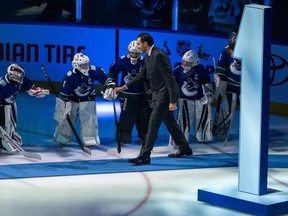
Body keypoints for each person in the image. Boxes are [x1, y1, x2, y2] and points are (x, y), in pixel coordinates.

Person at [114, 32, 193, 165]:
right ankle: (185, 148)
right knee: (171, 124)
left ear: (145, 43)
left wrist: (173, 101)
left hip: (164, 96)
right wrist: (124, 87)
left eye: (139, 43)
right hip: (157, 95)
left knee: (152, 126)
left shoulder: (159, 55)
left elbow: (170, 79)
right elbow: (141, 76)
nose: (137, 46)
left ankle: (145, 155)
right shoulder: (148, 57)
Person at [53, 52, 115, 147]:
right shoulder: (69, 77)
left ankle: (89, 140)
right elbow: (64, 95)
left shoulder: (93, 70)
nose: (86, 66)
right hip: (72, 100)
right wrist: (64, 106)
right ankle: (62, 138)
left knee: (89, 120)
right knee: (67, 119)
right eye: (83, 65)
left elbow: (104, 78)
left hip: (88, 98)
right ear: (76, 65)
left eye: (87, 63)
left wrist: (110, 85)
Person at [107, 40, 151, 145]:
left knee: (144, 117)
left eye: (137, 53)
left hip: (142, 95)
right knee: (126, 117)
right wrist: (112, 85)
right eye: (132, 52)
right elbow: (111, 72)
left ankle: (144, 136)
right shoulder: (122, 60)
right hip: (126, 94)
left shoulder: (146, 61)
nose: (134, 55)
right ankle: (123, 138)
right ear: (128, 51)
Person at [0, 63, 49, 153]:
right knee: (5, 124)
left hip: (11, 102)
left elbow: (30, 88)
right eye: (19, 77)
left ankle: (10, 136)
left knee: (13, 124)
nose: (22, 79)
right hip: (2, 105)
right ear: (13, 76)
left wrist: (38, 91)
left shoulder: (19, 79)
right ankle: (2, 144)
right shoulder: (2, 85)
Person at [169, 50, 213, 146]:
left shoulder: (201, 71)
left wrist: (208, 94)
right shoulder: (177, 70)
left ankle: (203, 136)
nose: (185, 63)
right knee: (182, 120)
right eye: (184, 61)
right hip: (184, 100)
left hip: (200, 100)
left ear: (195, 62)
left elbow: (207, 83)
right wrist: (173, 98)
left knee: (202, 118)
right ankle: (180, 139)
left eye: (188, 62)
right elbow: (172, 84)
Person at [212, 31, 241, 141]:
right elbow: (221, 67)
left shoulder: (249, 51)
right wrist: (220, 81)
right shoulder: (226, 50)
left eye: (236, 37)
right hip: (229, 87)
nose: (233, 39)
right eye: (232, 37)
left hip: (245, 89)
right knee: (226, 110)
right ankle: (221, 133)